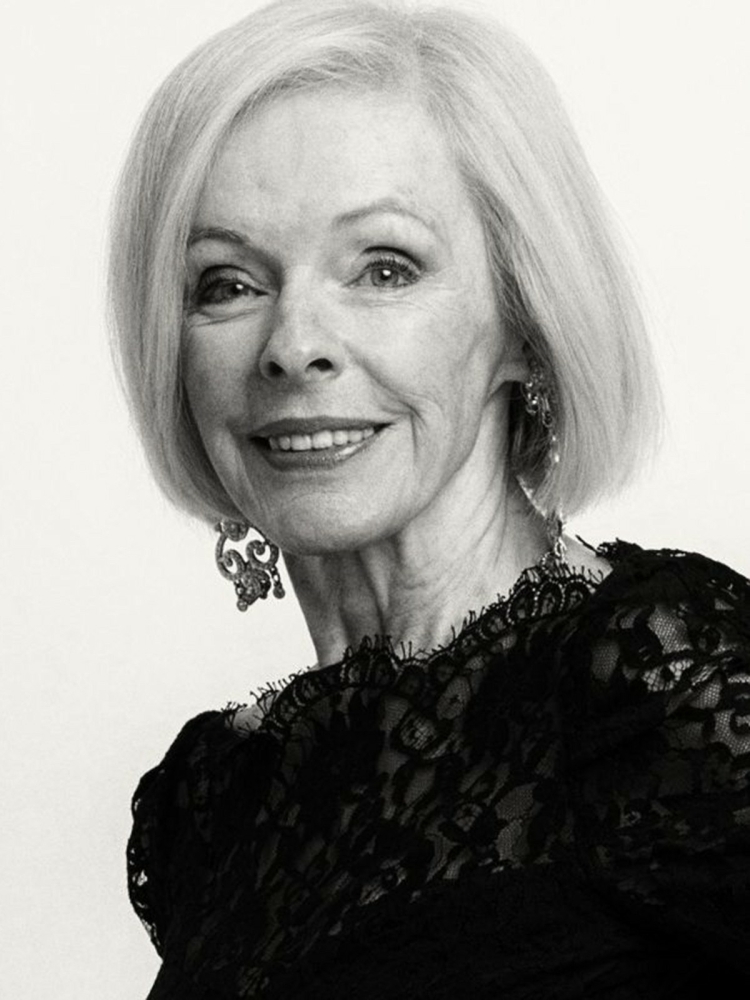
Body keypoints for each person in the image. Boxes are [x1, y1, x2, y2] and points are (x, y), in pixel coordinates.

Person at [109, 0, 750, 996]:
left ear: (525, 322)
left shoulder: (661, 684)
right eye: (227, 283)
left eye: (384, 268)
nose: (292, 345)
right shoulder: (216, 799)